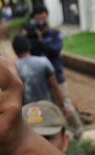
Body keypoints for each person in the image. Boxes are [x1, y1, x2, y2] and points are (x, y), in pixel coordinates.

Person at [25, 5, 83, 137]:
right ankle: (60, 134)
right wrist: (27, 38)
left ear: (47, 17)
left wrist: (40, 41)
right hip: (41, 82)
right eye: (37, 19)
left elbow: (55, 52)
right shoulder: (31, 37)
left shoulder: (55, 34)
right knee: (50, 109)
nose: (41, 21)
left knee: (66, 105)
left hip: (57, 78)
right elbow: (28, 55)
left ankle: (78, 131)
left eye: (43, 18)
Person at [12, 35, 68, 116]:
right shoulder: (44, 62)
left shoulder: (14, 68)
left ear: (15, 51)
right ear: (29, 46)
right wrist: (63, 105)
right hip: (46, 107)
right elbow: (55, 87)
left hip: (27, 112)